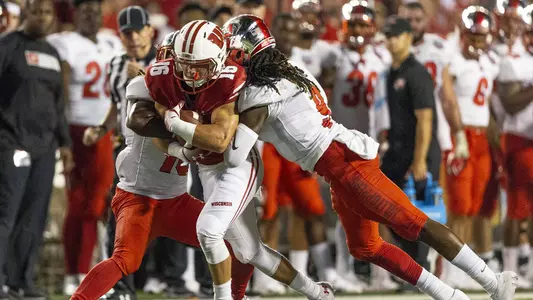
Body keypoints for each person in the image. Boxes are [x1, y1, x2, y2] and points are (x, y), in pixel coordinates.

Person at [219, 14, 517, 300]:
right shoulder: (290, 69)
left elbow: (234, 153)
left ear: (247, 49)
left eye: (231, 50)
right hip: (336, 162)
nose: (228, 58)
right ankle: (448, 293)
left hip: (345, 162)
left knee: (415, 224)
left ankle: (492, 283)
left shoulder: (262, 91)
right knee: (365, 247)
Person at [133, 20, 334, 300]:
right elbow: (143, 125)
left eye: (199, 66)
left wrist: (174, 122)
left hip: (236, 164)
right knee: (250, 251)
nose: (190, 73)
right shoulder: (165, 74)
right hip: (206, 166)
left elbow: (220, 140)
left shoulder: (230, 78)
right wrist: (180, 150)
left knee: (208, 229)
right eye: (183, 64)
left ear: (218, 60)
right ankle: (318, 292)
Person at [255, 13, 362, 295]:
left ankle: (319, 273)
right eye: (283, 30)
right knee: (268, 212)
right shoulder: (258, 63)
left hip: (295, 146)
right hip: (268, 145)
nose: (289, 36)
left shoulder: (301, 65)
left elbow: (319, 105)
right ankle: (263, 278)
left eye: (293, 31)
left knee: (312, 210)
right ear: (273, 33)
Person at [46, 0, 123, 295]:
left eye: (95, 10)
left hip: (107, 130)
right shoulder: (65, 43)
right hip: (80, 129)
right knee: (84, 203)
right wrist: (63, 134)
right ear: (75, 14)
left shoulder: (111, 41)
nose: (91, 16)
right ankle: (78, 272)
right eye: (85, 10)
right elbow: (61, 93)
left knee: (90, 204)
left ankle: (77, 272)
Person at [0, 0, 73, 298]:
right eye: (36, 12)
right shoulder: (8, 47)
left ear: (53, 19)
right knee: (6, 213)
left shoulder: (53, 55)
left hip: (45, 148)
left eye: (47, 14)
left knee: (35, 217)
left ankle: (21, 281)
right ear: (26, 15)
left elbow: (58, 103)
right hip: (12, 143)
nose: (41, 18)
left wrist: (66, 142)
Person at [329, 1, 399, 291]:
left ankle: (376, 271)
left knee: (374, 206)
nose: (358, 30)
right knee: (343, 206)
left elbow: (388, 101)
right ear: (345, 27)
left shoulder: (382, 56)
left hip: (371, 142)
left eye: (362, 24)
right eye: (353, 24)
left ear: (372, 27)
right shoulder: (333, 56)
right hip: (340, 140)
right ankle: (343, 269)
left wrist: (384, 135)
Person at [443, 6, 503, 289]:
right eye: (473, 37)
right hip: (462, 135)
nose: (477, 43)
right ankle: (450, 267)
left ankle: (468, 264)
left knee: (478, 206)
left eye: (482, 37)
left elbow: (489, 106)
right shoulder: (453, 61)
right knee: (459, 207)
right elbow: (446, 101)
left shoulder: (490, 62)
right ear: (463, 36)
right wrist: (455, 139)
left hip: (482, 138)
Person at [496, 2, 533, 287]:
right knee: (516, 208)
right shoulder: (513, 60)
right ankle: (508, 271)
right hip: (519, 139)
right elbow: (509, 104)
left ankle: (530, 267)